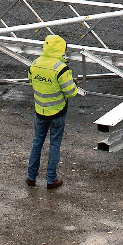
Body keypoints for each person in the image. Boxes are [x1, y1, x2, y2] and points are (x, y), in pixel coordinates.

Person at [27, 34, 79, 189]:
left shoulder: (34, 64)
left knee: (37, 142)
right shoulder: (61, 69)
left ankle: (31, 177)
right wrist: (73, 84)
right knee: (54, 145)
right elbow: (71, 92)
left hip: (40, 110)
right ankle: (51, 179)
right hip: (57, 112)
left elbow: (32, 82)